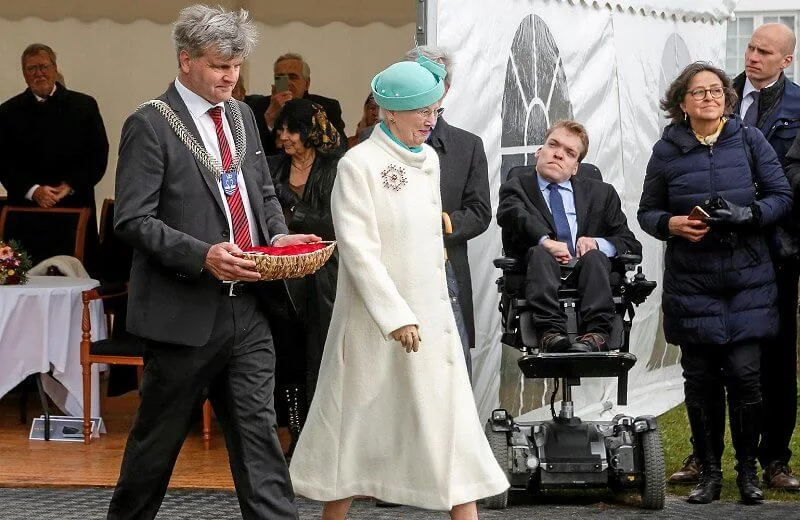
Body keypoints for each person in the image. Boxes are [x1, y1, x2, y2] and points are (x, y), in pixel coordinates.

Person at [108, 6, 319, 519]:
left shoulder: (244, 116)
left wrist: (278, 238)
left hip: (249, 310)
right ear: (185, 61)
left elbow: (262, 192)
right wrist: (203, 255)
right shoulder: (149, 123)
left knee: (260, 444)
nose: (232, 77)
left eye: (237, 65)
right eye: (220, 66)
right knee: (153, 453)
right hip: (183, 314)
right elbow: (132, 219)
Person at [289, 56, 508, 519]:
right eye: (422, 111)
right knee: (353, 434)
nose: (431, 121)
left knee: (449, 425)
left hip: (431, 320)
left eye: (435, 109)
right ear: (390, 113)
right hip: (373, 323)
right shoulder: (358, 165)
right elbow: (358, 250)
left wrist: (424, 313)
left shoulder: (428, 158)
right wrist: (396, 316)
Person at [638, 61, 792, 504]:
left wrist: (746, 216)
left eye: (716, 91)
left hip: (748, 279)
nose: (709, 97)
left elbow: (780, 196)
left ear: (726, 97)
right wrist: (672, 224)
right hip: (692, 284)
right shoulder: (666, 150)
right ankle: (709, 473)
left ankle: (747, 473)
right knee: (700, 381)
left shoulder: (749, 139)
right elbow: (647, 212)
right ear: (682, 104)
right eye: (699, 92)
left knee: (746, 378)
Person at [670, 23, 800, 491]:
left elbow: (788, 187)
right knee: (705, 365)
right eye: (750, 48)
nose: (753, 57)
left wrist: (757, 216)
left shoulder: (797, 107)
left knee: (772, 362)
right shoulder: (714, 95)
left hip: (776, 250)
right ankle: (704, 459)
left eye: (764, 52)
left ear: (785, 60)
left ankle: (773, 460)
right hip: (707, 260)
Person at [497, 120, 641, 353]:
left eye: (570, 152)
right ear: (539, 151)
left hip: (590, 274)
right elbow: (513, 215)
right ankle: (550, 333)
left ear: (576, 167)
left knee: (595, 257)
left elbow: (631, 244)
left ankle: (597, 334)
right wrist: (546, 241)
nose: (558, 155)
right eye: (553, 145)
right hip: (538, 273)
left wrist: (598, 243)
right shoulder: (516, 188)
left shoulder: (602, 194)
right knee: (540, 252)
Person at [404, 45, 492, 379]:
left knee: (451, 371)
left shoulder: (467, 145)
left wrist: (439, 223)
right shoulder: (373, 140)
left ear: (446, 89)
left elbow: (480, 212)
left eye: (434, 81)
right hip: (395, 273)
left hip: (447, 270)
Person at [266, 98, 341, 454]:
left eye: (291, 129)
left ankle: (321, 438)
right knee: (288, 360)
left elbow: (333, 225)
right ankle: (296, 436)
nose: (284, 137)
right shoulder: (271, 168)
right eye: (280, 130)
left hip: (323, 281)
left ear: (309, 131)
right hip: (280, 283)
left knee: (320, 358)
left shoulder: (335, 169)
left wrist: (292, 205)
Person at [0, 43, 108, 275]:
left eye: (43, 67)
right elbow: (4, 163)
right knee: (24, 284)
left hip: (74, 211)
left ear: (54, 68)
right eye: (31, 69)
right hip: (26, 215)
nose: (38, 73)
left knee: (75, 284)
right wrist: (34, 190)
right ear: (23, 74)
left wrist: (69, 186)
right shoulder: (7, 112)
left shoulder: (84, 106)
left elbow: (97, 156)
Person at [246, 53, 345, 156]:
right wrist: (269, 119)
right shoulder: (258, 106)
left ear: (306, 84)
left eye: (293, 77)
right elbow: (252, 152)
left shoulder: (325, 107)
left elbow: (340, 147)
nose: (287, 82)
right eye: (281, 78)